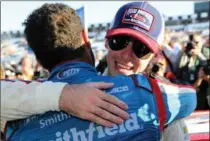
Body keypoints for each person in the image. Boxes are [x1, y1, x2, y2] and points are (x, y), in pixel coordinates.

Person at [5, 3, 196, 141]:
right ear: (105, 41)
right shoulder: (38, 99)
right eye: (118, 41)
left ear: (155, 55)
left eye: (141, 48)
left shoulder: (165, 110)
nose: (126, 54)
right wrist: (63, 97)